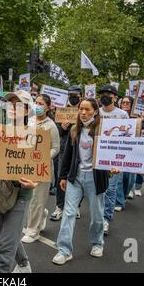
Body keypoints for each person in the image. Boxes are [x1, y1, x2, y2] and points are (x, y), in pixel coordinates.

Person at [53, 98, 120, 265]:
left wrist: (114, 166)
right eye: (81, 109)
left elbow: (114, 152)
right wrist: (63, 176)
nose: (83, 112)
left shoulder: (104, 130)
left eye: (87, 109)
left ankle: (97, 243)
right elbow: (67, 154)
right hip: (75, 178)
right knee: (68, 213)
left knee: (97, 215)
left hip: (95, 178)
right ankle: (64, 250)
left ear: (95, 111)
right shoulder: (75, 129)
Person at [0, 90, 38, 273]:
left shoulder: (35, 134)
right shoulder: (4, 130)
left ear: (27, 111)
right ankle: (24, 264)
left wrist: (34, 182)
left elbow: (40, 164)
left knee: (5, 246)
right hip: (2, 191)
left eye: (17, 105)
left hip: (21, 193)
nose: (12, 108)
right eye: (10, 104)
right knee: (7, 233)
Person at [21, 94, 60, 244]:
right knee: (30, 198)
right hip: (27, 165)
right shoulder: (29, 121)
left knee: (37, 199)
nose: (37, 105)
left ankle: (33, 231)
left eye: (41, 103)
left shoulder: (51, 126)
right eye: (36, 102)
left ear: (48, 107)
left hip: (42, 167)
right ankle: (41, 213)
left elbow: (56, 148)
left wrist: (44, 156)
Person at [98, 85, 128, 235]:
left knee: (110, 189)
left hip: (115, 158)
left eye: (108, 94)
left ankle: (106, 218)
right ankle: (98, 215)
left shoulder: (123, 115)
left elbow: (128, 136)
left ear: (115, 97)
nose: (105, 96)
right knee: (98, 189)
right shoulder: (95, 112)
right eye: (102, 93)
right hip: (97, 156)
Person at [51, 86, 82, 221]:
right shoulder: (61, 111)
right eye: (70, 95)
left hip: (80, 150)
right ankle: (60, 206)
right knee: (60, 178)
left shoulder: (85, 110)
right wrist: (63, 128)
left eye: (75, 95)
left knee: (77, 179)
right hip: (64, 149)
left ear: (81, 96)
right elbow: (57, 132)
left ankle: (76, 207)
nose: (73, 97)